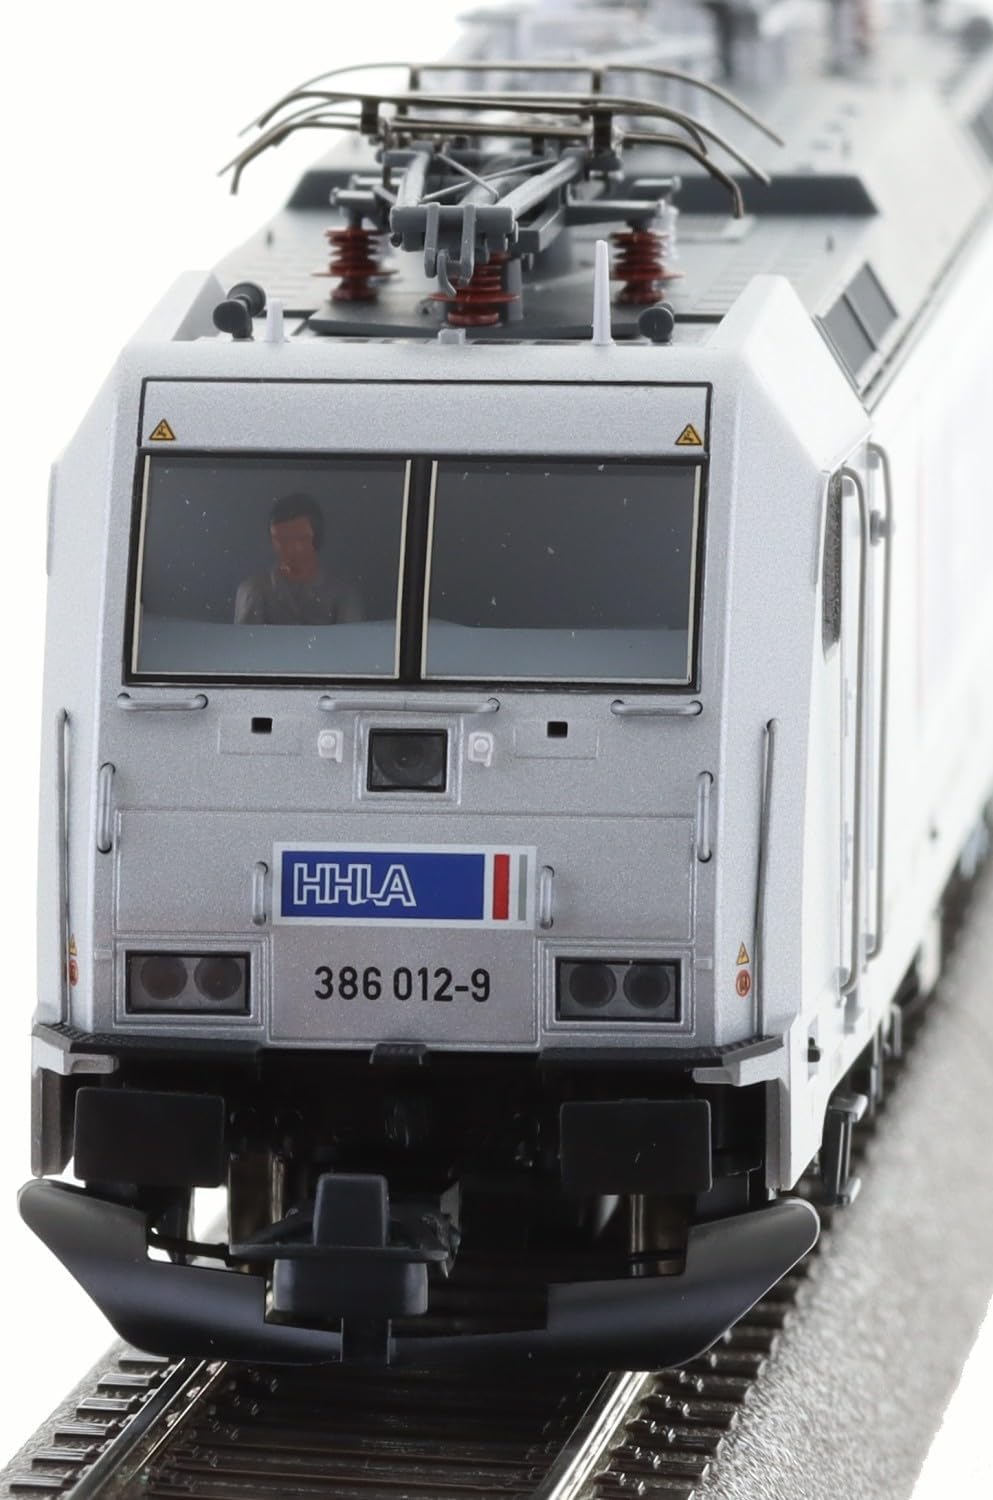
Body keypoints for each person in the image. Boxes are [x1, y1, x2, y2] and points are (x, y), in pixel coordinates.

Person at [234, 494, 362, 625]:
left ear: (317, 538)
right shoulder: (253, 590)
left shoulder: (343, 593)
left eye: (301, 539)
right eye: (282, 540)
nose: (292, 548)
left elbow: (351, 636)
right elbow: (246, 636)